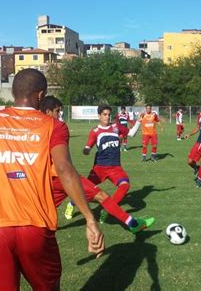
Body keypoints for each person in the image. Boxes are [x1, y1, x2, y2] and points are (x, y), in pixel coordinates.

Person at [0, 69, 104, 290]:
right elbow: (63, 168)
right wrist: (90, 219)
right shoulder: (53, 126)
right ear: (41, 95)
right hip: (35, 227)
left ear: (14, 93)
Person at [40, 96, 154, 233]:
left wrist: (138, 122)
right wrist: (86, 150)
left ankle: (36, 228)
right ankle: (133, 224)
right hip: (81, 171)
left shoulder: (38, 129)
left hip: (55, 177)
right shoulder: (61, 128)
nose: (59, 115)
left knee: (43, 206)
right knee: (100, 196)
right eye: (57, 111)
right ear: (48, 111)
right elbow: (64, 161)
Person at [84, 105, 154, 227]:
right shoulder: (95, 131)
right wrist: (86, 150)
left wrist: (138, 121)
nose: (107, 117)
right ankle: (72, 204)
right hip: (99, 168)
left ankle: (107, 209)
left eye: (109, 114)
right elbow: (87, 147)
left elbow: (131, 133)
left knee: (125, 185)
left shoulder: (116, 127)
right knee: (84, 191)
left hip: (115, 167)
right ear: (99, 116)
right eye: (104, 114)